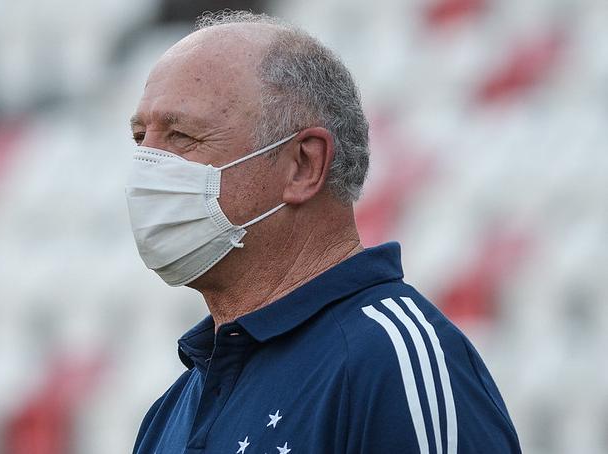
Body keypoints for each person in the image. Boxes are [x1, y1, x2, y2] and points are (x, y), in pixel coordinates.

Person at [125, 10, 522, 454]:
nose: (147, 167)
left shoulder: (393, 363)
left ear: (303, 165)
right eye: (141, 138)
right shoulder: (172, 409)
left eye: (181, 136)